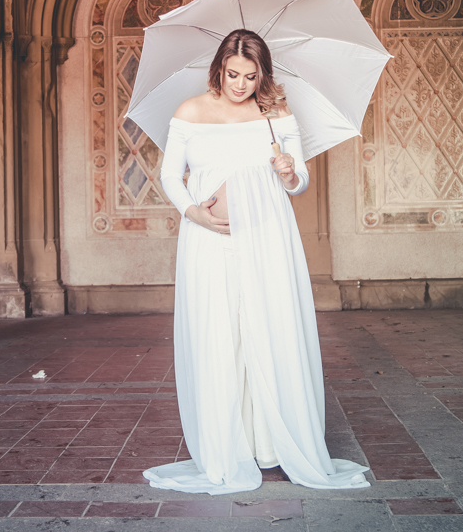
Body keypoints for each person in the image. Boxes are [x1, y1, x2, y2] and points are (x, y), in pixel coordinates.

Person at [145, 29, 369, 494]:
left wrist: (290, 173)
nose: (240, 84)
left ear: (262, 73)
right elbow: (170, 174)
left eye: (250, 75)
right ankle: (233, 444)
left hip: (268, 237)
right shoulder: (190, 111)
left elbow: (299, 181)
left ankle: (275, 443)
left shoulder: (275, 115)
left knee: (270, 327)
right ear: (218, 69)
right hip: (209, 239)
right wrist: (194, 213)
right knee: (220, 331)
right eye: (232, 74)